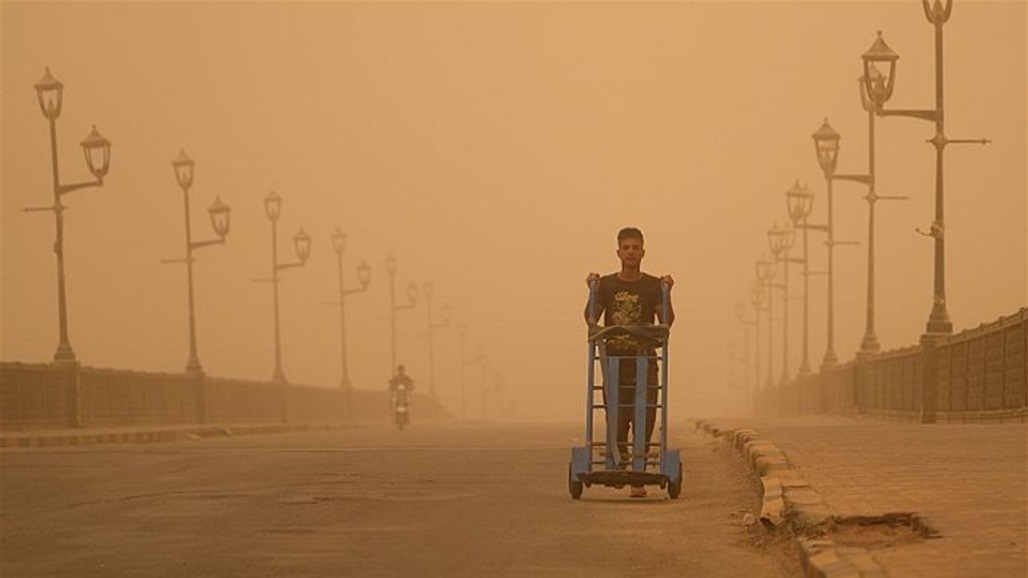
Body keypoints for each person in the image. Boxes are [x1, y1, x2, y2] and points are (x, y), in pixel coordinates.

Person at [584, 227, 674, 498]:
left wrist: (668, 292)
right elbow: (591, 318)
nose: (631, 252)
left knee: (645, 414)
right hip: (614, 360)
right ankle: (619, 462)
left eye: (635, 248)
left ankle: (639, 476)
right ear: (618, 252)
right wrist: (591, 289)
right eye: (626, 248)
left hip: (644, 359)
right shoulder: (608, 285)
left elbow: (666, 321)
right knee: (617, 414)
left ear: (643, 252)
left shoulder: (651, 285)